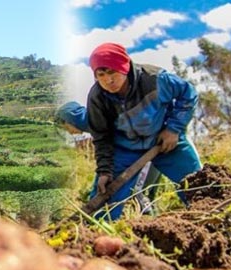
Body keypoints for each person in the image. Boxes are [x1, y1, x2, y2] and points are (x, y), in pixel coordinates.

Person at [84, 42, 202, 220]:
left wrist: (173, 129)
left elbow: (188, 93)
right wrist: (105, 170)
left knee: (198, 185)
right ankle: (92, 238)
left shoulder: (155, 79)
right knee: (103, 205)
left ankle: (213, 220)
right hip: (125, 149)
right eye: (101, 75)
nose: (108, 80)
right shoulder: (97, 98)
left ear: (124, 67)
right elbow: (102, 137)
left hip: (165, 140)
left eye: (112, 72)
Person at [56, 101, 162, 215]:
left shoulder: (97, 122)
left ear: (70, 120)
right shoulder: (97, 120)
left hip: (147, 153)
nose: (70, 133)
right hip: (156, 150)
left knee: (137, 194)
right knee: (145, 195)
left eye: (66, 128)